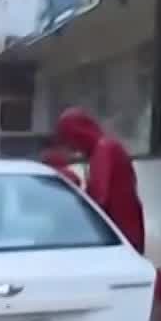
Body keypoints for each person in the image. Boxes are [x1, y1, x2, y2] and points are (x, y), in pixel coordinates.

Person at [51, 107, 145, 254]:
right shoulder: (104, 149)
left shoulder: (105, 150)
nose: (74, 148)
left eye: (71, 140)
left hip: (119, 235)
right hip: (122, 233)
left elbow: (99, 199)